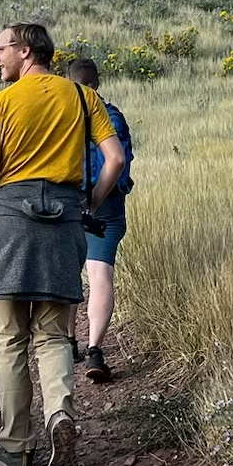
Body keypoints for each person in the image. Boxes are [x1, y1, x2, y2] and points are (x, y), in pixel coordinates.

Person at [0, 22, 124, 466]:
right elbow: (116, 160)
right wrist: (89, 203)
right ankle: (60, 417)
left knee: (10, 341)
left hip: (10, 221)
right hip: (64, 222)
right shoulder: (83, 98)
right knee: (52, 335)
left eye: (0, 48)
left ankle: (16, 453)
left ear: (25, 52)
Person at [62, 58, 133, 383]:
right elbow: (120, 161)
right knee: (100, 274)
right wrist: (99, 199)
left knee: (69, 273)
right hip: (107, 207)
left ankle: (68, 342)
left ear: (68, 82)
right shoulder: (113, 117)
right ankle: (95, 349)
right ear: (98, 83)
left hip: (71, 204)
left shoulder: (62, 118)